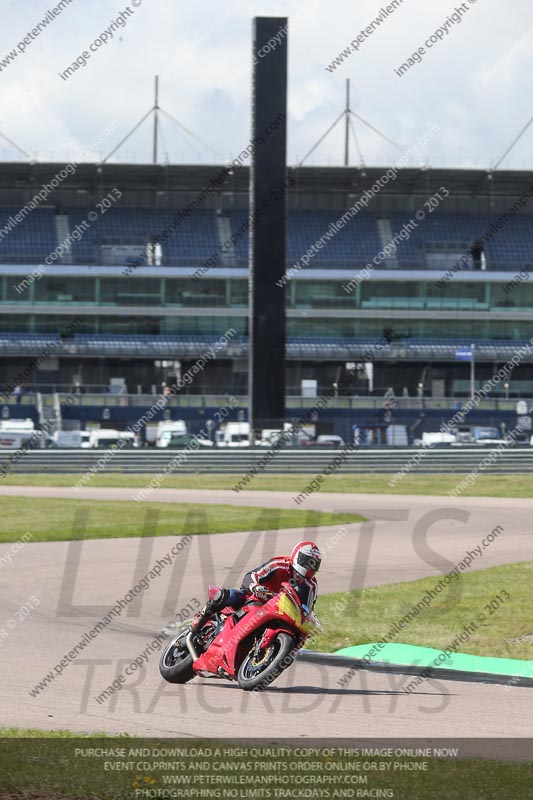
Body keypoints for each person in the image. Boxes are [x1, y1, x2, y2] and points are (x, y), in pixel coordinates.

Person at [189, 541, 322, 636]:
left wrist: (312, 621)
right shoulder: (279, 564)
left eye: (314, 564)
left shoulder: (312, 586)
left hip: (279, 613)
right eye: (307, 561)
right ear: (297, 556)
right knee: (232, 595)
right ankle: (202, 615)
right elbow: (251, 576)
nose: (309, 567)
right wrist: (255, 586)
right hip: (255, 597)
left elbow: (308, 608)